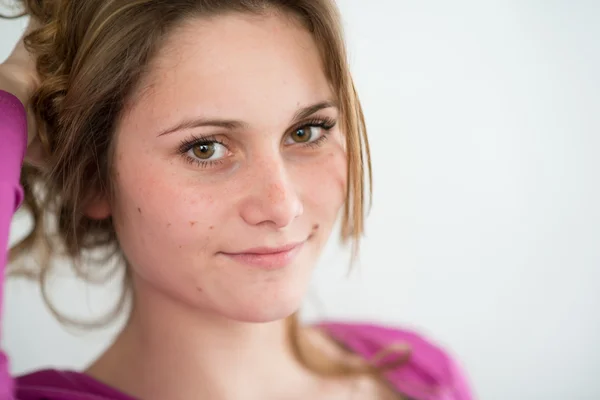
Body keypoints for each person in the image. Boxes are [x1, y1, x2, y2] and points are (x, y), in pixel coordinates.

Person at [0, 1, 473, 399]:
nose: (282, 206)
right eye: (205, 148)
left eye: (306, 132)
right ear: (92, 178)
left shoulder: (416, 375)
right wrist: (10, 95)